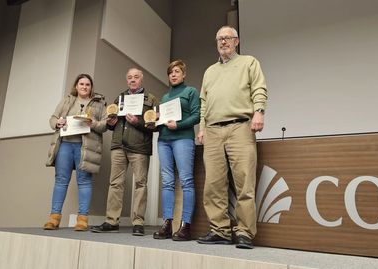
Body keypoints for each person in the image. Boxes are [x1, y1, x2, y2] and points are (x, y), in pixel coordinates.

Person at [196, 26, 268, 249]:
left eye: (227, 38)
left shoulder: (249, 62)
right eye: (219, 38)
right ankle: (220, 231)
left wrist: (259, 111)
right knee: (213, 184)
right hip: (213, 130)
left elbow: (259, 88)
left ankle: (245, 232)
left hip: (241, 127)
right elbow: (204, 104)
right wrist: (202, 128)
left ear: (236, 41)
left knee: (244, 182)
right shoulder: (209, 71)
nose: (223, 41)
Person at [90, 68, 158, 236]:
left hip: (139, 147)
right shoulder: (119, 98)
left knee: (140, 184)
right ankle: (111, 221)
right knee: (115, 183)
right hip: (118, 145)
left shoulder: (151, 99)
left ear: (141, 80)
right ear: (127, 80)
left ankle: (138, 222)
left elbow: (155, 125)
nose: (132, 80)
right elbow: (111, 124)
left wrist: (137, 122)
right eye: (129, 77)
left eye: (136, 77)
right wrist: (112, 122)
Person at [43, 74, 107, 231]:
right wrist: (57, 122)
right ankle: (54, 218)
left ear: (91, 87)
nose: (84, 87)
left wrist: (94, 124)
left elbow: (105, 125)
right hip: (65, 144)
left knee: (84, 181)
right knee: (61, 180)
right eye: (81, 84)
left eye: (87, 84)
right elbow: (53, 118)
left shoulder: (99, 104)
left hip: (85, 147)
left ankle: (82, 219)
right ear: (76, 86)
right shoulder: (67, 100)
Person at [152, 60, 200, 241]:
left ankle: (185, 226)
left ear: (183, 74)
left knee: (186, 181)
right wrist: (154, 123)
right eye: (171, 72)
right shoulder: (164, 98)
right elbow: (162, 122)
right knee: (167, 183)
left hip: (183, 139)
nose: (173, 74)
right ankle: (167, 224)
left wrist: (178, 125)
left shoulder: (191, 92)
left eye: (177, 71)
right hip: (163, 140)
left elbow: (196, 116)